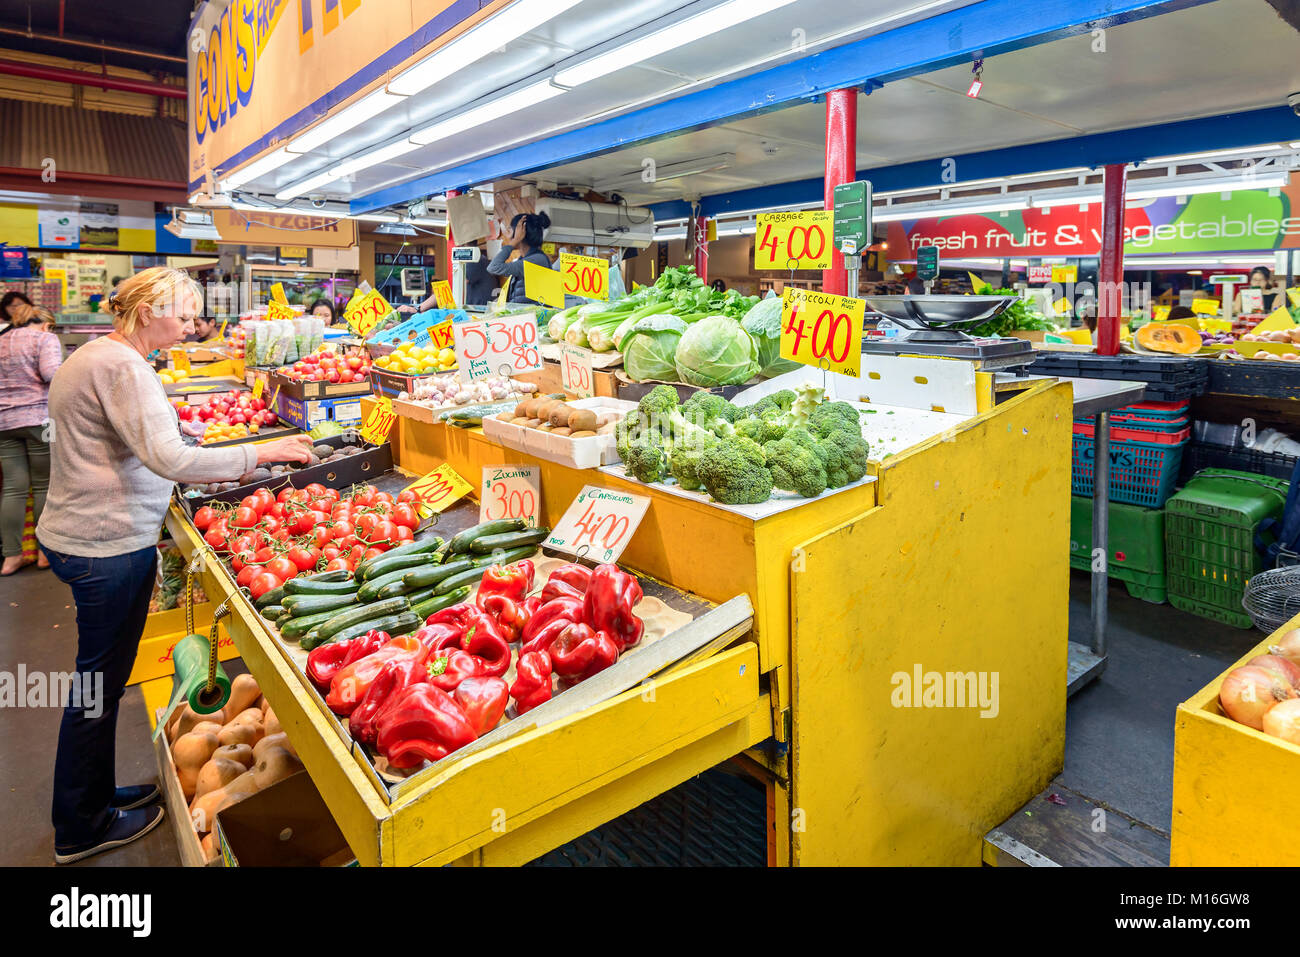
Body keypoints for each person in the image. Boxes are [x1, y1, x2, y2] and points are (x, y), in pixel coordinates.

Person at [36, 267, 314, 864]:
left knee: (99, 685)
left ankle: (96, 798)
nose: (191, 325)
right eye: (182, 314)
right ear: (145, 311)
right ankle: (81, 826)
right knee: (95, 686)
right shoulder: (122, 366)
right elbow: (166, 457)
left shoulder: (99, 356)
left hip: (84, 537)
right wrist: (261, 450)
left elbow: (142, 442)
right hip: (103, 545)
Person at [0, 300, 61, 575]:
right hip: (41, 420)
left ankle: (11, 556)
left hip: (4, 421)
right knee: (43, 486)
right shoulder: (45, 338)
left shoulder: (2, 339)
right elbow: (52, 374)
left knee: (13, 488)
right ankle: (44, 554)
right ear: (46, 324)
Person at [486, 212, 553, 304]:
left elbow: (493, 267)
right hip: (526, 316)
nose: (508, 232)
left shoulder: (537, 260)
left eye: (510, 228)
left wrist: (514, 242)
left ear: (521, 232)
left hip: (533, 317)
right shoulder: (525, 258)